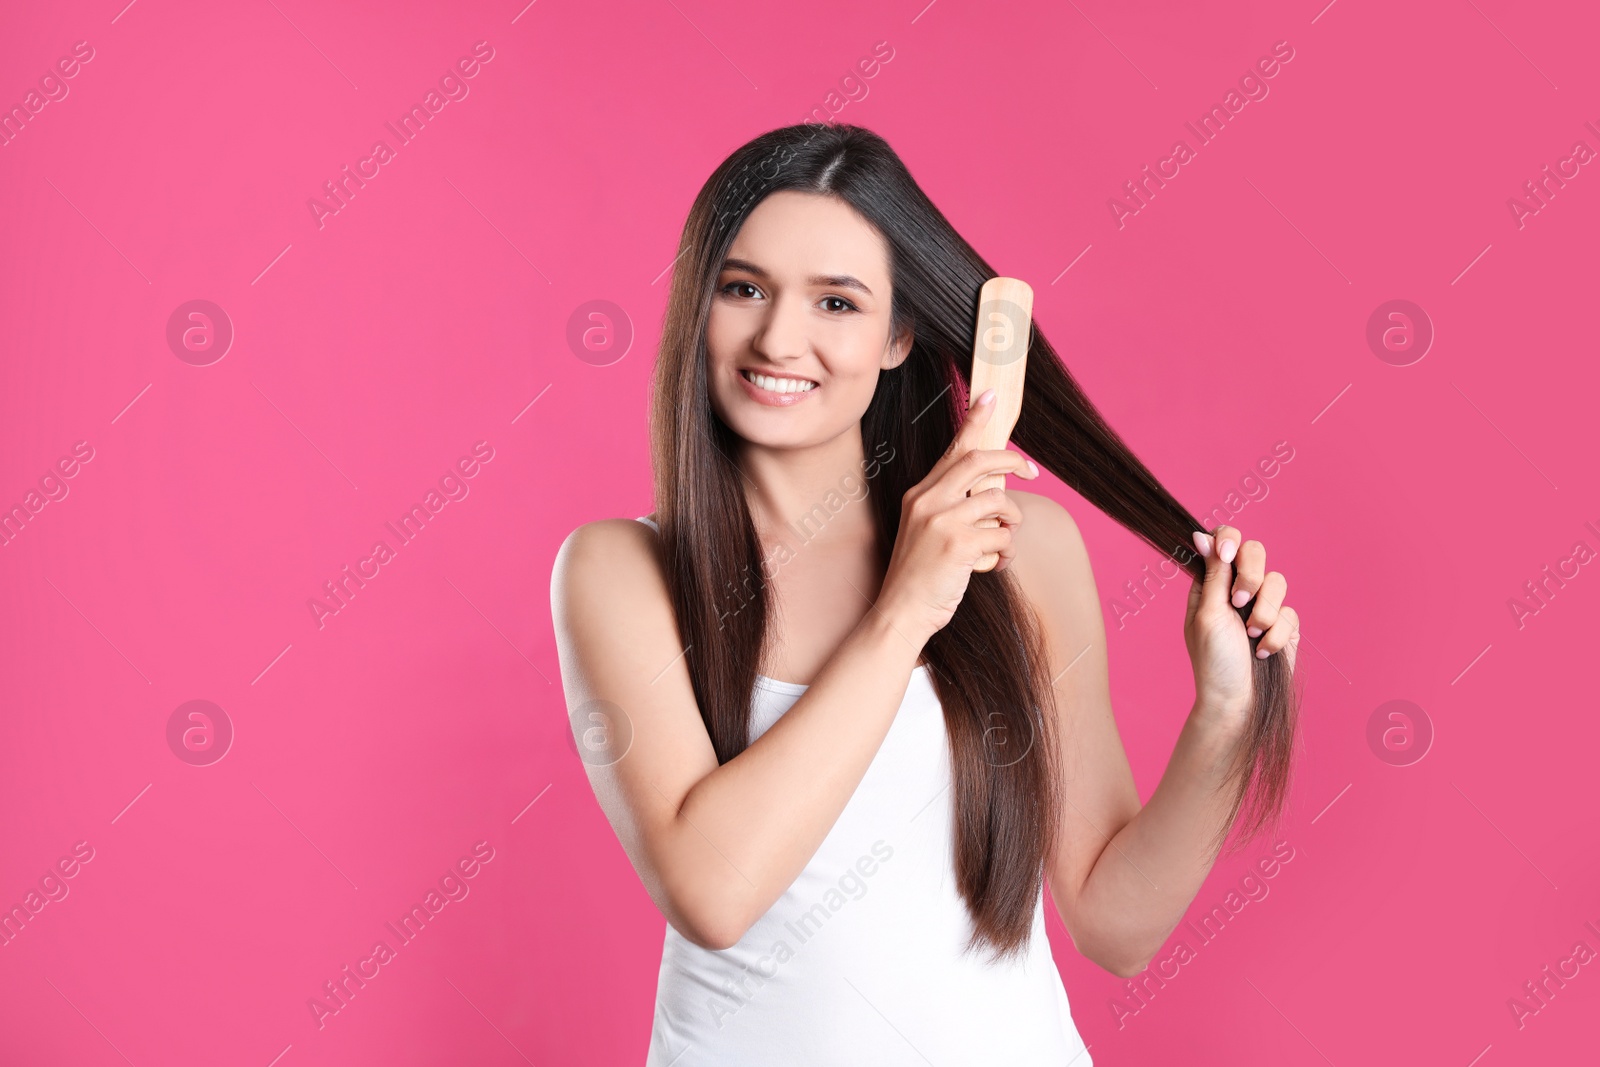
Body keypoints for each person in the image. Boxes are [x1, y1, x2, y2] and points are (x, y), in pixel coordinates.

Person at [549, 122, 1301, 1066]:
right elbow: (713, 889)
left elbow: (1117, 923)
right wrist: (906, 605)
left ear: (900, 333)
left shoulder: (1022, 556)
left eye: (837, 301)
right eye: (744, 288)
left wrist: (1223, 717)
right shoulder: (622, 572)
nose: (781, 335)